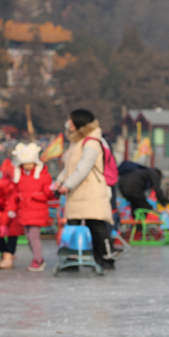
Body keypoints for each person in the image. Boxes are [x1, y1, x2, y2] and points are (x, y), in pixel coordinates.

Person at [52, 109, 116, 270]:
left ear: (79, 123)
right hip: (77, 192)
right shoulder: (77, 142)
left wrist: (66, 185)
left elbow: (83, 168)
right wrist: (58, 183)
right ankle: (72, 258)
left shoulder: (92, 142)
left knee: (96, 225)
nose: (68, 123)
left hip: (91, 191)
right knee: (72, 225)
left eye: (71, 120)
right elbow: (69, 168)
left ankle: (106, 257)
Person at [10, 142, 54, 271]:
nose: (27, 166)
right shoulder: (20, 177)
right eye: (25, 164)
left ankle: (38, 260)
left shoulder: (43, 176)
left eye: (30, 163)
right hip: (24, 211)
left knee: (34, 237)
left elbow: (48, 194)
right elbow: (15, 194)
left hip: (37, 211)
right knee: (29, 237)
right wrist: (12, 208)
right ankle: (37, 257)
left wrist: (37, 195)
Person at [0, 157, 20, 270]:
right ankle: (4, 254)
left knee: (11, 232)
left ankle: (8, 256)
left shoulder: (2, 179)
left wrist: (5, 220)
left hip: (10, 208)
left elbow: (10, 200)